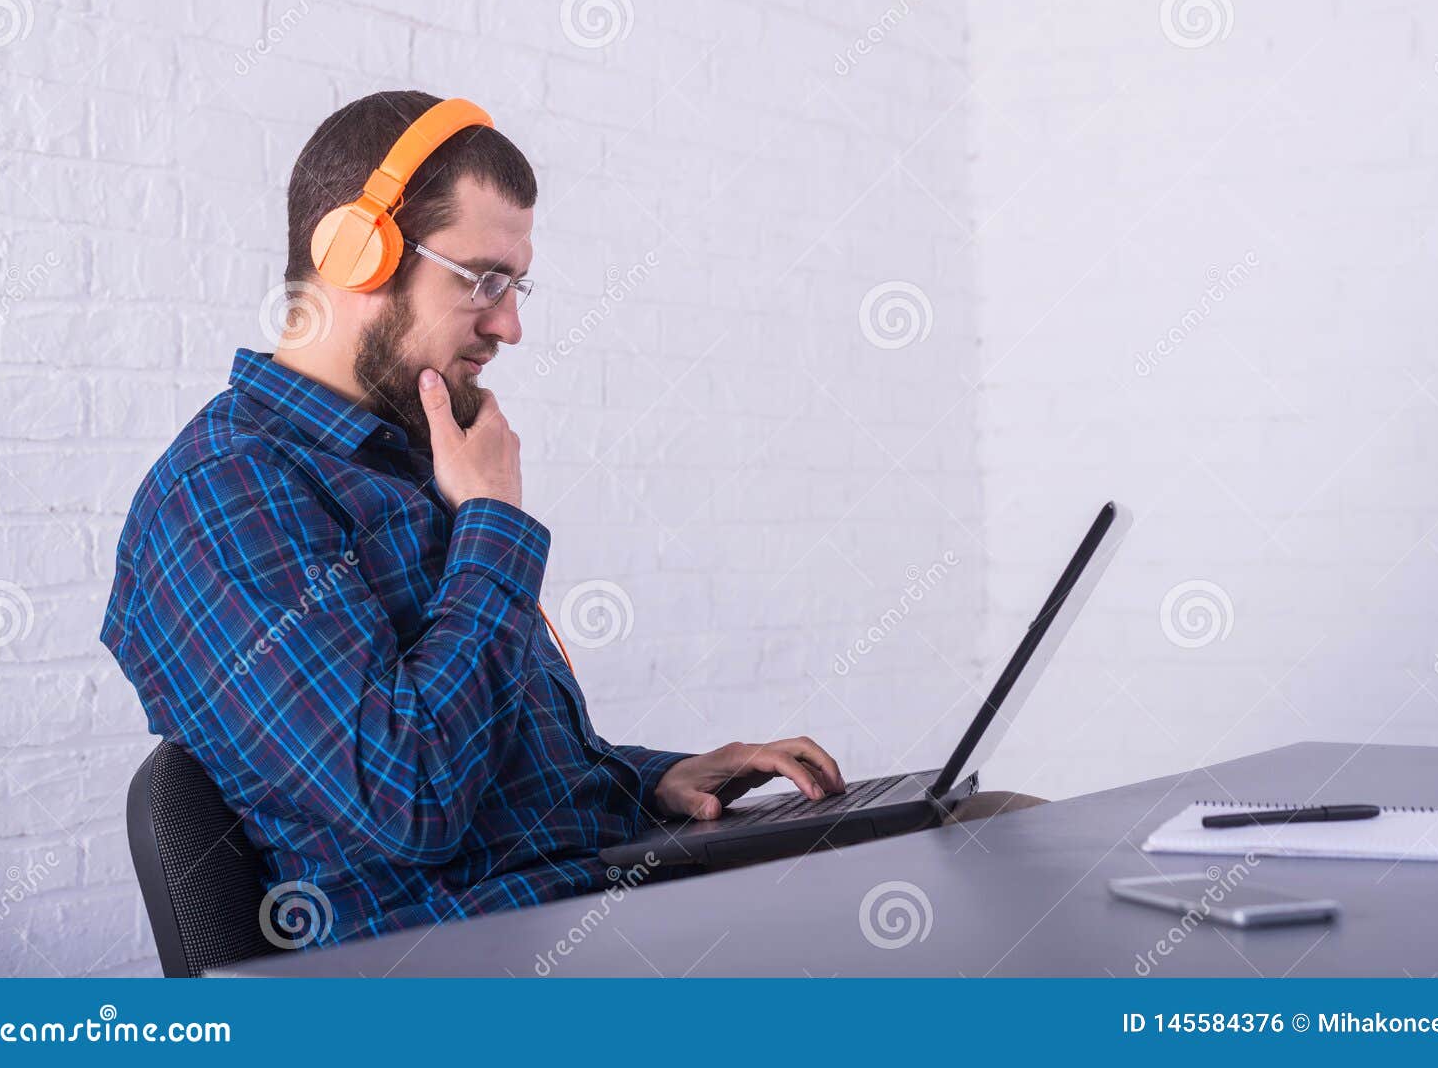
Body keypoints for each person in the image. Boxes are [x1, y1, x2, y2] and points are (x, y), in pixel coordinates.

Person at [101, 90, 1028, 949]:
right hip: (466, 975)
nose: (509, 328)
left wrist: (648, 782)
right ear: (354, 253)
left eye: (517, 287)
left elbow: (487, 761)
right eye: (481, 279)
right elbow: (407, 796)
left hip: (591, 902)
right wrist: (493, 523)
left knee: (999, 829)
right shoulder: (225, 494)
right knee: (982, 894)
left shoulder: (412, 455)